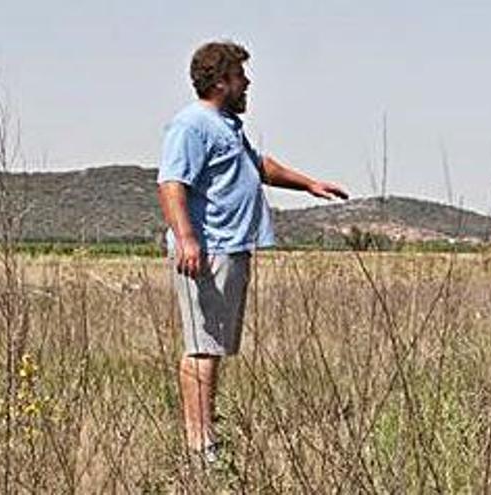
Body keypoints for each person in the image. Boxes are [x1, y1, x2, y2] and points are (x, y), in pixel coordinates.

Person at [156, 40, 348, 463]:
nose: (248, 83)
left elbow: (260, 166)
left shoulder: (226, 125)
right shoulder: (191, 126)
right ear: (222, 81)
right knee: (201, 346)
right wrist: (187, 239)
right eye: (241, 75)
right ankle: (199, 446)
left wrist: (309, 184)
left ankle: (207, 433)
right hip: (208, 251)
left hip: (231, 246)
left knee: (215, 344)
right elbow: (171, 184)